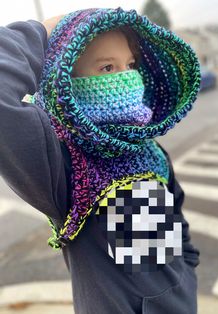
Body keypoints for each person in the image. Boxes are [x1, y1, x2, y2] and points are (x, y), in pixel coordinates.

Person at [0, 7, 201, 314]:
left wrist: (187, 273)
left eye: (130, 64)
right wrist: (41, 31)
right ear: (69, 82)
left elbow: (173, 232)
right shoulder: (62, 164)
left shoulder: (147, 149)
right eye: (107, 68)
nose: (126, 78)